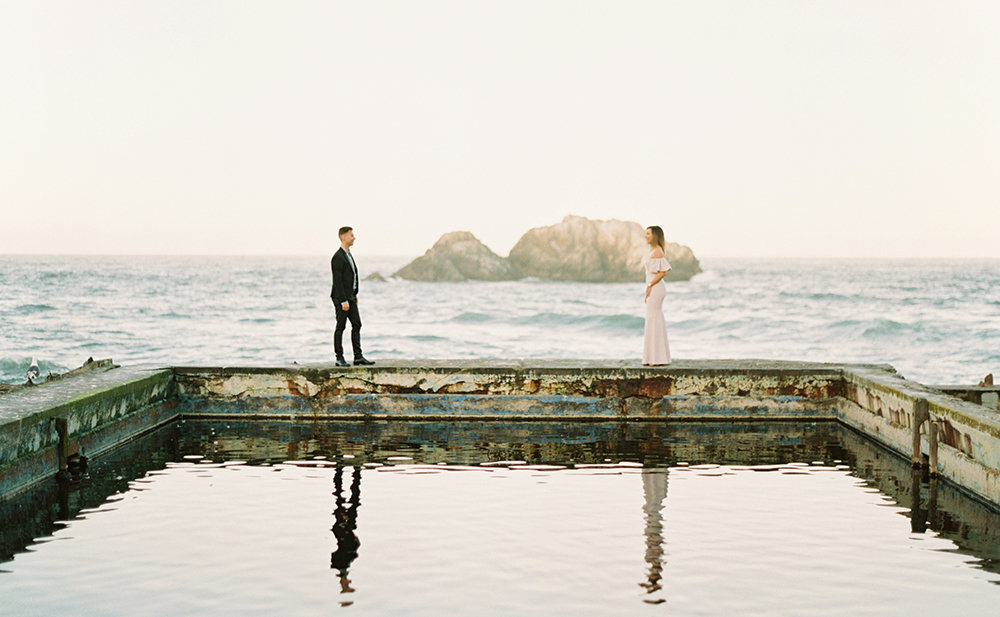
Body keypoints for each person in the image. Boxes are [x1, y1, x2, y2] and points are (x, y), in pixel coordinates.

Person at [331, 226, 374, 366]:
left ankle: (358, 356)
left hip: (350, 297)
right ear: (344, 237)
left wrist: (354, 295)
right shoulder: (337, 257)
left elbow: (352, 276)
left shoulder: (348, 255)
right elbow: (337, 282)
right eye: (351, 235)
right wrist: (343, 300)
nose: (354, 238)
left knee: (357, 324)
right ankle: (339, 357)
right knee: (341, 327)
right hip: (341, 298)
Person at [643, 226, 671, 366]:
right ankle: (655, 357)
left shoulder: (658, 251)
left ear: (655, 235)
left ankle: (656, 358)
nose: (646, 236)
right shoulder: (654, 251)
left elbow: (662, 272)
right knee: (653, 318)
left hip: (656, 288)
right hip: (654, 287)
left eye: (648, 234)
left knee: (654, 318)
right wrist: (648, 287)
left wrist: (649, 286)